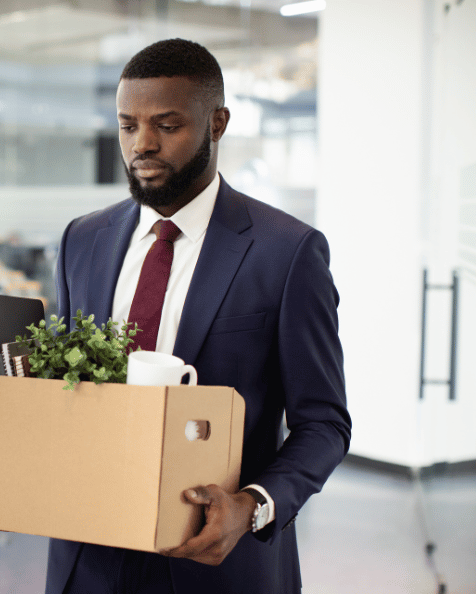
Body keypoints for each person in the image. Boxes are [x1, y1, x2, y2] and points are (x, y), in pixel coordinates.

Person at [45, 38, 352, 594]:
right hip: (87, 558)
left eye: (167, 125)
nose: (143, 144)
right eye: (127, 125)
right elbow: (67, 392)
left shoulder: (287, 253)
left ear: (217, 123)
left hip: (219, 564)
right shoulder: (80, 241)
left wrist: (251, 507)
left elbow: (324, 424)